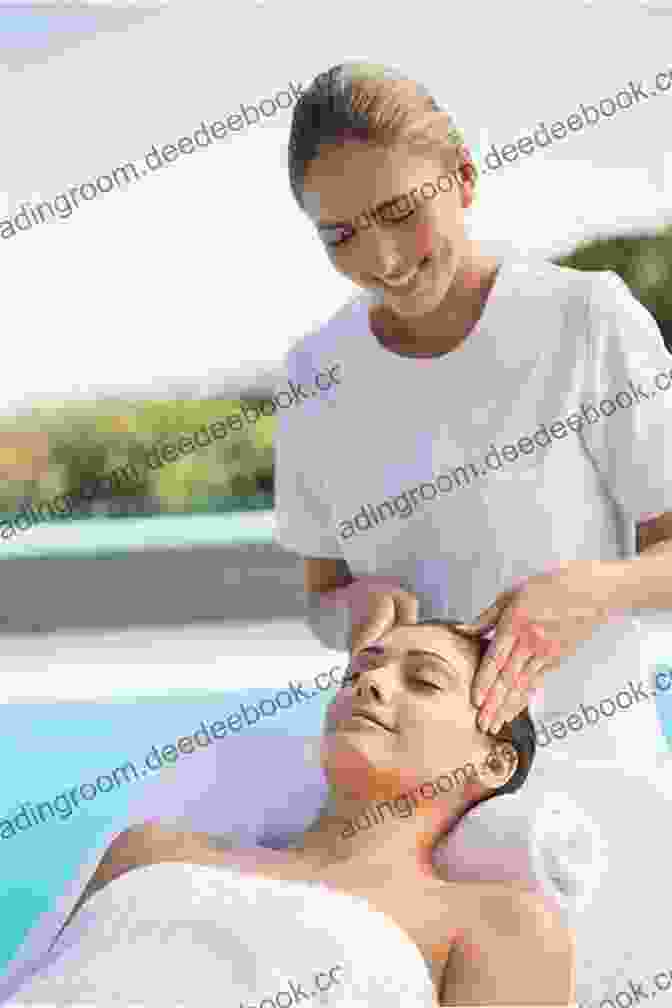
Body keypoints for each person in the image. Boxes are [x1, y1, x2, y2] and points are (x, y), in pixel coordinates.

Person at [274, 60, 672, 770]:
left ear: (463, 176)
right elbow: (322, 596)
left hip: (592, 782)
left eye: (401, 213)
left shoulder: (585, 319)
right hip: (406, 808)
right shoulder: (314, 374)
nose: (383, 259)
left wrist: (597, 587)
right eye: (341, 237)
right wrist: (354, 612)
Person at [10, 620, 574, 1008]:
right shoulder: (150, 850)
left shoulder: (493, 924)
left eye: (424, 680)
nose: (369, 683)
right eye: (358, 673)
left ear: (497, 761)